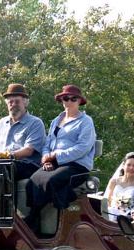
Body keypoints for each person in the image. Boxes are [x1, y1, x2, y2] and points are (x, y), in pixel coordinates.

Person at [25, 84, 96, 234]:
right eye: (66, 98)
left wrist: (56, 156)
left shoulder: (85, 121)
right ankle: (37, 220)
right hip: (54, 163)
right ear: (61, 101)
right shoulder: (55, 121)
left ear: (79, 101)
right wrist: (46, 159)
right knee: (32, 181)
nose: (69, 101)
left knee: (51, 181)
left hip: (77, 165)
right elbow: (47, 144)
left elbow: (83, 148)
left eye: (73, 98)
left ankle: (36, 219)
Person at [0, 83, 46, 180]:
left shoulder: (35, 123)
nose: (13, 104)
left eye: (17, 101)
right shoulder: (1, 123)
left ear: (25, 103)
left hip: (27, 165)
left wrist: (8, 156)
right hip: (3, 164)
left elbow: (29, 151)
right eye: (10, 102)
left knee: (3, 171)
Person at [104, 152, 134, 221]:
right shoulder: (114, 181)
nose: (131, 168)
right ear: (123, 166)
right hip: (111, 211)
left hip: (128, 215)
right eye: (128, 165)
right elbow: (108, 200)